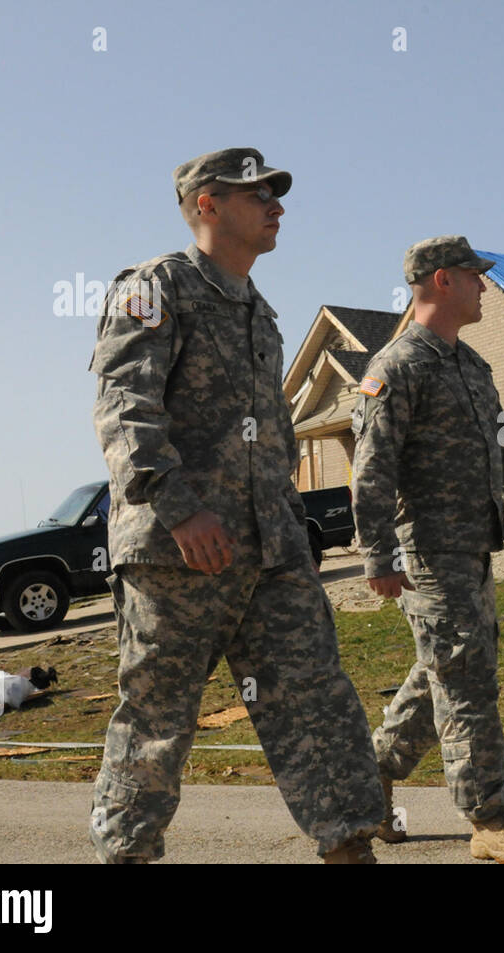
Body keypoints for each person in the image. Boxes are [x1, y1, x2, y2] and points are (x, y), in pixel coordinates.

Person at [88, 147, 383, 864]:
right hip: (175, 551)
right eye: (257, 193)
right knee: (158, 719)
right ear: (208, 205)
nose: (276, 203)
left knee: (316, 699)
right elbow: (124, 408)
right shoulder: (156, 287)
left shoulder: (261, 311)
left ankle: (350, 846)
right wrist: (181, 509)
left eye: (276, 192)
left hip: (270, 552)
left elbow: (273, 437)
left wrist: (291, 529)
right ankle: (126, 853)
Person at [350, 235, 504, 864]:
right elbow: (371, 470)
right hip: (426, 554)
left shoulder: (473, 367)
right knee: (468, 679)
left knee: (444, 669)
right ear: (442, 280)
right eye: (476, 276)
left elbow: (502, 453)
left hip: (474, 549)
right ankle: (488, 818)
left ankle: (371, 773)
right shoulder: (394, 368)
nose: (485, 287)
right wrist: (377, 555)